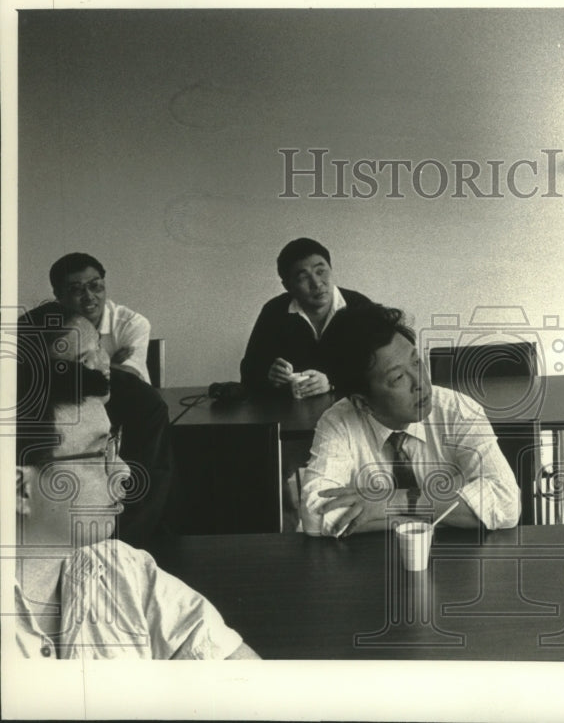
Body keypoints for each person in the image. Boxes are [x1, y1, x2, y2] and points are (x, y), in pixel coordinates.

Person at [14, 361, 259, 659]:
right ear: (19, 489)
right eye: (99, 453)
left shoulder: (122, 570)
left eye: (114, 445)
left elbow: (242, 675)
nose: (124, 471)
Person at [300, 303, 520, 535]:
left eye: (416, 361)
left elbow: (506, 503)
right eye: (398, 378)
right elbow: (316, 516)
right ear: (362, 402)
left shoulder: (457, 410)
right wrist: (432, 519)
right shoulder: (338, 421)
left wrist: (390, 502)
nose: (420, 382)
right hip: (370, 564)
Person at [18, 303, 174, 550]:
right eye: (82, 359)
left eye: (99, 347)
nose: (102, 364)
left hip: (129, 539)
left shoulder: (141, 400)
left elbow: (147, 495)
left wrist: (108, 555)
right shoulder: (33, 414)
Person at [240, 237, 371, 396]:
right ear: (288, 286)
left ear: (331, 268)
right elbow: (248, 375)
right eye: (303, 277)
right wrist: (268, 377)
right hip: (291, 412)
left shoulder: (360, 307)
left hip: (351, 411)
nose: (316, 283)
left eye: (321, 272)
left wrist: (332, 384)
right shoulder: (274, 312)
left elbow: (381, 373)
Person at [49, 252, 152, 384]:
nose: (89, 296)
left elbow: (128, 378)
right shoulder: (50, 323)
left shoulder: (132, 323)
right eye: (76, 289)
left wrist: (79, 369)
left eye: (95, 286)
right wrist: (109, 365)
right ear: (58, 295)